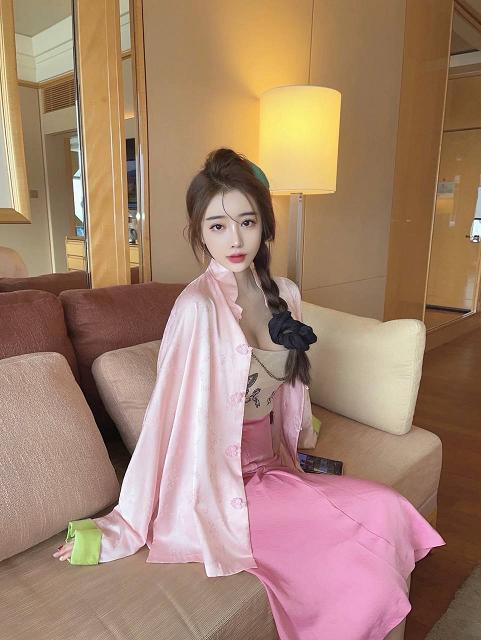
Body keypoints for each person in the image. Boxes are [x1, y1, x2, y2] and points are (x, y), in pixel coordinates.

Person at [53, 148, 446, 639]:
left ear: (265, 226)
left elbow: (288, 391)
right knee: (362, 564)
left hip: (274, 471)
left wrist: (301, 429)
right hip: (219, 490)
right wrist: (123, 524)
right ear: (199, 232)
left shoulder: (286, 294)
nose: (235, 240)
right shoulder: (196, 307)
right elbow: (164, 420)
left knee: (385, 506)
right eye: (217, 226)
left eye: (247, 221)